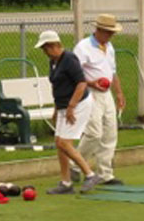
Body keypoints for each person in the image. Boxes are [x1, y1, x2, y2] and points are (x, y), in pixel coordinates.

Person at [35, 30, 103, 194]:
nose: (44, 52)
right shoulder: (53, 61)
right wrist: (56, 109)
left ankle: (90, 174)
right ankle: (66, 183)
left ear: (54, 46)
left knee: (64, 143)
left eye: (46, 48)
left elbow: (81, 84)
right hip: (64, 106)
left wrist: (71, 107)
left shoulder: (69, 59)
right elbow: (58, 87)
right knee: (59, 143)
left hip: (78, 104)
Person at [70, 14, 126, 185]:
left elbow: (113, 72)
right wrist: (91, 83)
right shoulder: (83, 48)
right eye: (108, 32)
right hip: (88, 93)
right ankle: (75, 164)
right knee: (94, 133)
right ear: (99, 30)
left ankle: (105, 173)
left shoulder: (109, 47)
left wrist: (119, 93)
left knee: (110, 133)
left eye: (112, 32)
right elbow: (73, 74)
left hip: (106, 93)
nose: (111, 35)